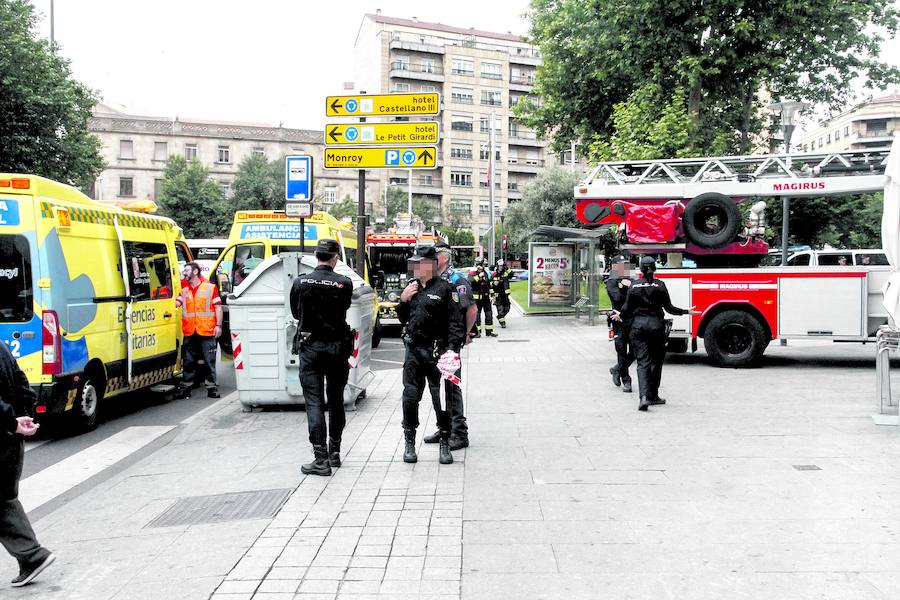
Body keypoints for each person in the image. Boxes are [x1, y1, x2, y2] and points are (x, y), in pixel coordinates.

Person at [289, 239, 354, 476]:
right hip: (337, 347)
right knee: (336, 399)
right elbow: (345, 308)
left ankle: (320, 458)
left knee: (314, 401)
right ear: (335, 257)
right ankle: (334, 452)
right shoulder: (344, 283)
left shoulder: (300, 282)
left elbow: (296, 313)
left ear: (316, 255)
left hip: (311, 347)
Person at [397, 245, 467, 464]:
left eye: (422, 263)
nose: (417, 267)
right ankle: (409, 443)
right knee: (410, 397)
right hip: (414, 352)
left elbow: (456, 325)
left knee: (442, 400)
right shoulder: (411, 288)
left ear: (433, 264)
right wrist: (403, 300)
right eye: (415, 264)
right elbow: (403, 319)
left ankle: (445, 442)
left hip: (438, 352)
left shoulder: (446, 288)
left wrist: (452, 352)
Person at [0, 341, 55, 587]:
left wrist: (12, 422)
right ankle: (31, 556)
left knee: (2, 502)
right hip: (12, 443)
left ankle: (32, 555)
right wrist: (24, 417)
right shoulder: (1, 346)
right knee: (5, 498)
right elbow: (23, 384)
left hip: (3, 436)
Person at [614, 256, 693, 411]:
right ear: (655, 268)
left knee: (642, 363)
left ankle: (643, 398)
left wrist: (620, 316)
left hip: (638, 328)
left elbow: (626, 308)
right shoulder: (660, 285)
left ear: (641, 269)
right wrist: (686, 311)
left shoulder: (634, 286)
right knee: (656, 362)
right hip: (657, 328)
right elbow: (669, 308)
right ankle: (653, 395)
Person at [423, 241, 476, 450]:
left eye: (433, 256)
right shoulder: (433, 280)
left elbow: (471, 309)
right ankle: (444, 427)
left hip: (449, 342)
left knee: (452, 385)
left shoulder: (457, 279)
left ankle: (459, 433)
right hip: (433, 342)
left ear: (443, 258)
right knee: (437, 386)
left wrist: (464, 335)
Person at [177, 262, 223, 399]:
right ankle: (186, 388)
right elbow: (176, 303)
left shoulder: (210, 287)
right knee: (188, 361)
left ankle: (212, 388)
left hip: (206, 330)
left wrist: (218, 326)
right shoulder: (183, 288)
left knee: (209, 361)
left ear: (195, 271)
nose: (184, 273)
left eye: (186, 270)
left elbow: (218, 308)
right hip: (190, 331)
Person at [606, 256, 635, 394]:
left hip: (632, 319)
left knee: (636, 350)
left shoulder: (632, 281)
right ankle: (626, 380)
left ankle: (617, 369)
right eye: (622, 265)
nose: (625, 268)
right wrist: (626, 288)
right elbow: (617, 298)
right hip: (618, 320)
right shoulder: (611, 282)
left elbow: (639, 294)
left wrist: (629, 285)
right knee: (621, 350)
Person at [470, 258, 497, 338]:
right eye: (483, 265)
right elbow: (470, 281)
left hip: (486, 298)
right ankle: (477, 332)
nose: (484, 266)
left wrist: (492, 295)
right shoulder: (472, 273)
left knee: (489, 314)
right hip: (477, 299)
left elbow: (489, 285)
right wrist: (478, 276)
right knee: (477, 316)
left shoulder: (485, 273)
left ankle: (489, 332)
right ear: (478, 265)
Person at [492, 259, 513, 329]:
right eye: (500, 266)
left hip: (505, 295)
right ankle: (502, 323)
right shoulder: (494, 274)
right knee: (500, 310)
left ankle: (500, 317)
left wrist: (506, 267)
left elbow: (511, 274)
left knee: (507, 308)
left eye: (502, 266)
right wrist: (493, 284)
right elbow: (490, 284)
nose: (501, 267)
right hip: (498, 295)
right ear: (497, 266)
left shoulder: (506, 273)